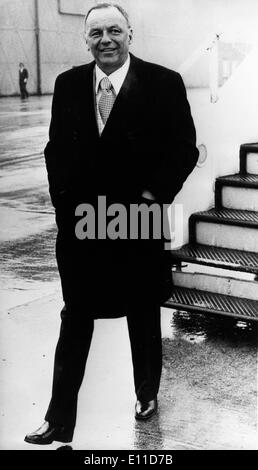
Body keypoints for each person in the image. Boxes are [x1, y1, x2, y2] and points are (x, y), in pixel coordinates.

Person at [25, 3, 198, 445]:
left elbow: (184, 150)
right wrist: (64, 205)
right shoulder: (68, 85)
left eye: (115, 31)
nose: (106, 39)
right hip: (82, 223)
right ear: (85, 39)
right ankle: (58, 418)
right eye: (96, 32)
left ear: (130, 35)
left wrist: (151, 197)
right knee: (76, 316)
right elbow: (55, 151)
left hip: (136, 218)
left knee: (141, 311)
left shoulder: (162, 82)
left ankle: (146, 395)